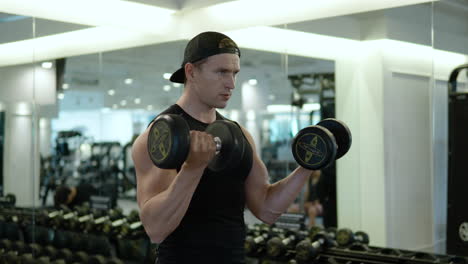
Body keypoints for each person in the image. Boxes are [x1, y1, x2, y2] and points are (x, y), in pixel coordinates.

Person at [132, 31, 315, 264]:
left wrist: (307, 166)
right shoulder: (159, 136)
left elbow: (267, 209)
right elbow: (156, 229)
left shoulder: (239, 134)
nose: (231, 84)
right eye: (221, 72)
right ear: (191, 72)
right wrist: (192, 169)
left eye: (234, 73)